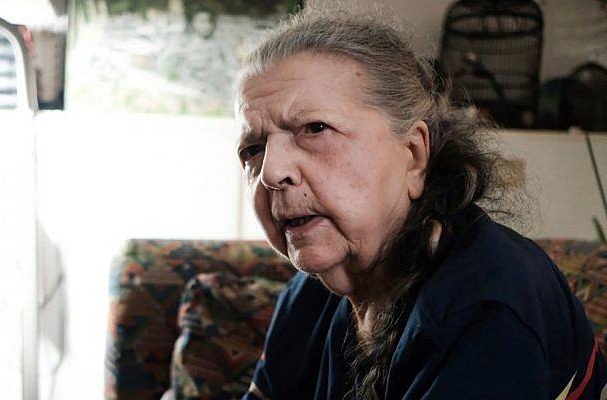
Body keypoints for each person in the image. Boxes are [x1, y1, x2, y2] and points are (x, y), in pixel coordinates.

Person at [234, 9, 607, 400]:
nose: (271, 172)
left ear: (413, 155)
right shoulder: (311, 291)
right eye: (253, 149)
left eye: (315, 129)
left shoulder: (488, 306)